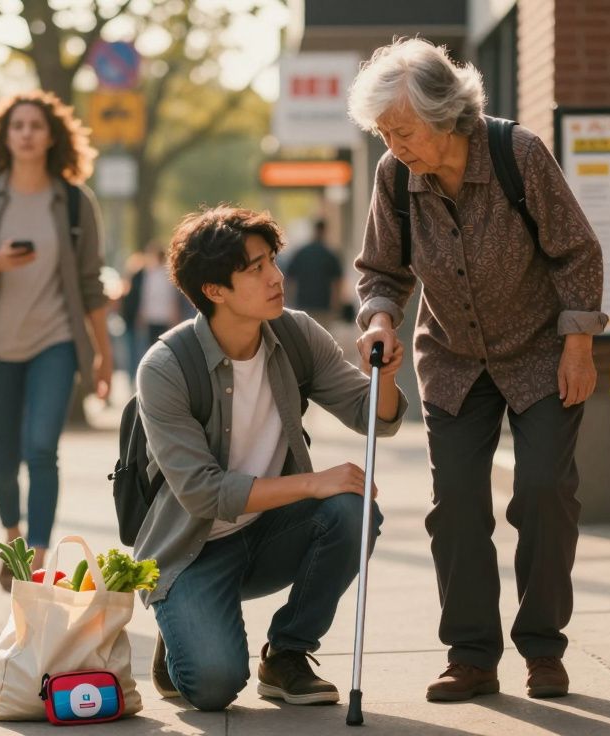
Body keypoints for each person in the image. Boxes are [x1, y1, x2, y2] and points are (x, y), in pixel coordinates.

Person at [347, 38, 606, 702]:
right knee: (457, 508)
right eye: (384, 132)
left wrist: (579, 344)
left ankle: (543, 647)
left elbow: (576, 252)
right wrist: (379, 321)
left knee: (545, 493)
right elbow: (381, 270)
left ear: (443, 114)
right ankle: (471, 655)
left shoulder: (517, 155)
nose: (394, 143)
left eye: (401, 130)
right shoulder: (395, 176)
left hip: (541, 352)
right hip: (455, 361)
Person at [134, 205, 407, 711]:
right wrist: (311, 483)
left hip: (269, 533)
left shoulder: (296, 334)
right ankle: (178, 625)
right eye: (254, 268)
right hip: (191, 550)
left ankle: (287, 653)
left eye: (272, 261)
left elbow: (376, 419)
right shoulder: (166, 367)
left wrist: (385, 370)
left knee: (352, 509)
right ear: (214, 291)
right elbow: (203, 492)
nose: (276, 277)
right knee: (212, 688)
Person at [0, 91, 113, 591]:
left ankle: (38, 556)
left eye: (35, 126)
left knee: (42, 448)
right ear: (4, 135)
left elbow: (90, 285)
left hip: (55, 342)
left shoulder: (74, 202)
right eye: (16, 125)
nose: (26, 133)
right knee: (1, 457)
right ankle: (14, 540)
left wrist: (102, 354)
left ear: (51, 136)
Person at [121, 241, 186, 384]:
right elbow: (143, 296)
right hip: (150, 318)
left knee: (164, 350)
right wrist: (140, 315)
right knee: (147, 350)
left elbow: (172, 295)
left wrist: (174, 314)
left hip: (164, 318)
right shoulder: (146, 274)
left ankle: (162, 379)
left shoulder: (167, 274)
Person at [284, 219, 344, 321]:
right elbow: (337, 282)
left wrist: (289, 301)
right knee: (321, 335)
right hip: (323, 306)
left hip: (303, 305)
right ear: (325, 231)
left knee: (303, 335)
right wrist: (336, 306)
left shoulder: (301, 252)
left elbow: (289, 279)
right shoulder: (330, 254)